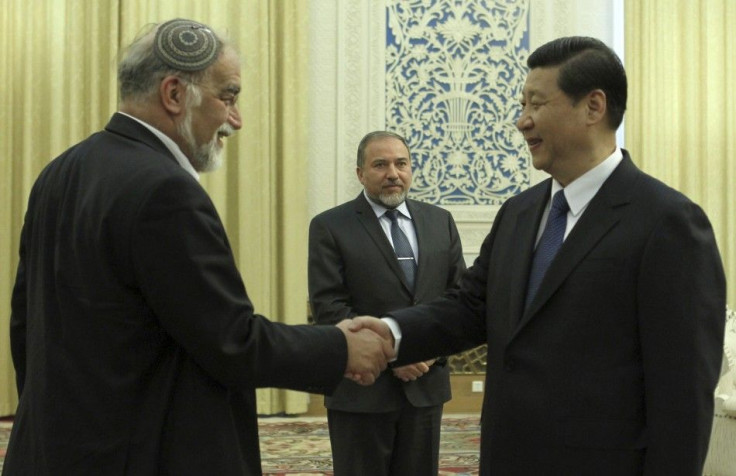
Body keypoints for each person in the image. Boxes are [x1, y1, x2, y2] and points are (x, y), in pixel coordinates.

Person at [5, 19, 392, 476]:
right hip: (140, 452)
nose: (236, 119)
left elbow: (25, 324)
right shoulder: (165, 190)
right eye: (227, 97)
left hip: (57, 448)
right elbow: (231, 341)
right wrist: (339, 348)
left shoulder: (61, 170)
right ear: (174, 94)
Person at [351, 36, 727, 475]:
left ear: (593, 107)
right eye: (522, 105)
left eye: (536, 104)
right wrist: (392, 333)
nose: (521, 121)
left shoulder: (668, 223)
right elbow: (470, 307)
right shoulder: (519, 212)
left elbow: (683, 396)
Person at [308, 131, 466, 475]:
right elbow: (329, 307)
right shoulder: (330, 227)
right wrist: (392, 355)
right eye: (380, 165)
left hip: (425, 385)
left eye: (401, 163)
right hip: (362, 389)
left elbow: (459, 300)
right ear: (360, 174)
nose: (393, 173)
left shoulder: (440, 221)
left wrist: (426, 351)